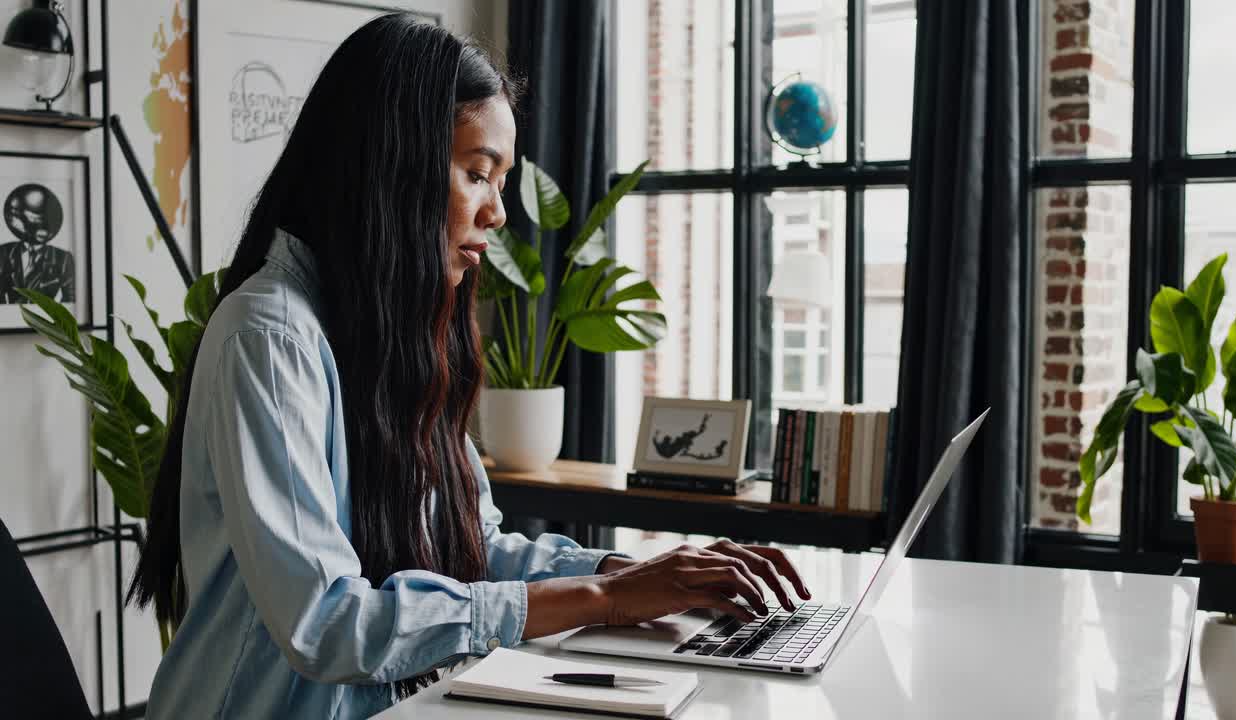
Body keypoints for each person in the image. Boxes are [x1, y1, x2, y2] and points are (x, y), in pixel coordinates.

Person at [129, 15, 810, 720]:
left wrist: (628, 574)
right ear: (392, 167)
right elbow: (327, 623)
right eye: (478, 174)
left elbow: (471, 547)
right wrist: (602, 602)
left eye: (501, 180)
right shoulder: (269, 338)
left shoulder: (392, 333)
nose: (498, 212)